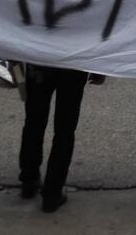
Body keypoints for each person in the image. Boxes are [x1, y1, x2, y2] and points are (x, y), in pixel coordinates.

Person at [18, 62, 89, 212]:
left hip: (39, 61)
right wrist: (99, 67)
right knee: (64, 130)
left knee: (33, 122)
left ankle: (28, 180)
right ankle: (52, 193)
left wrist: (13, 60)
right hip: (73, 65)